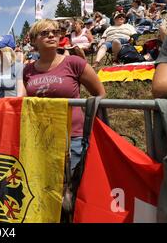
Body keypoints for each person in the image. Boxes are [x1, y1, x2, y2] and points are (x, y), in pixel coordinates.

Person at [17, 19, 105, 172]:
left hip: (73, 138)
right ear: (33, 41)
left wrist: (92, 124)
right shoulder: (27, 70)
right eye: (44, 33)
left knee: (71, 189)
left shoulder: (74, 62)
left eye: (55, 32)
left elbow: (100, 94)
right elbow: (21, 101)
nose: (51, 35)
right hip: (40, 137)